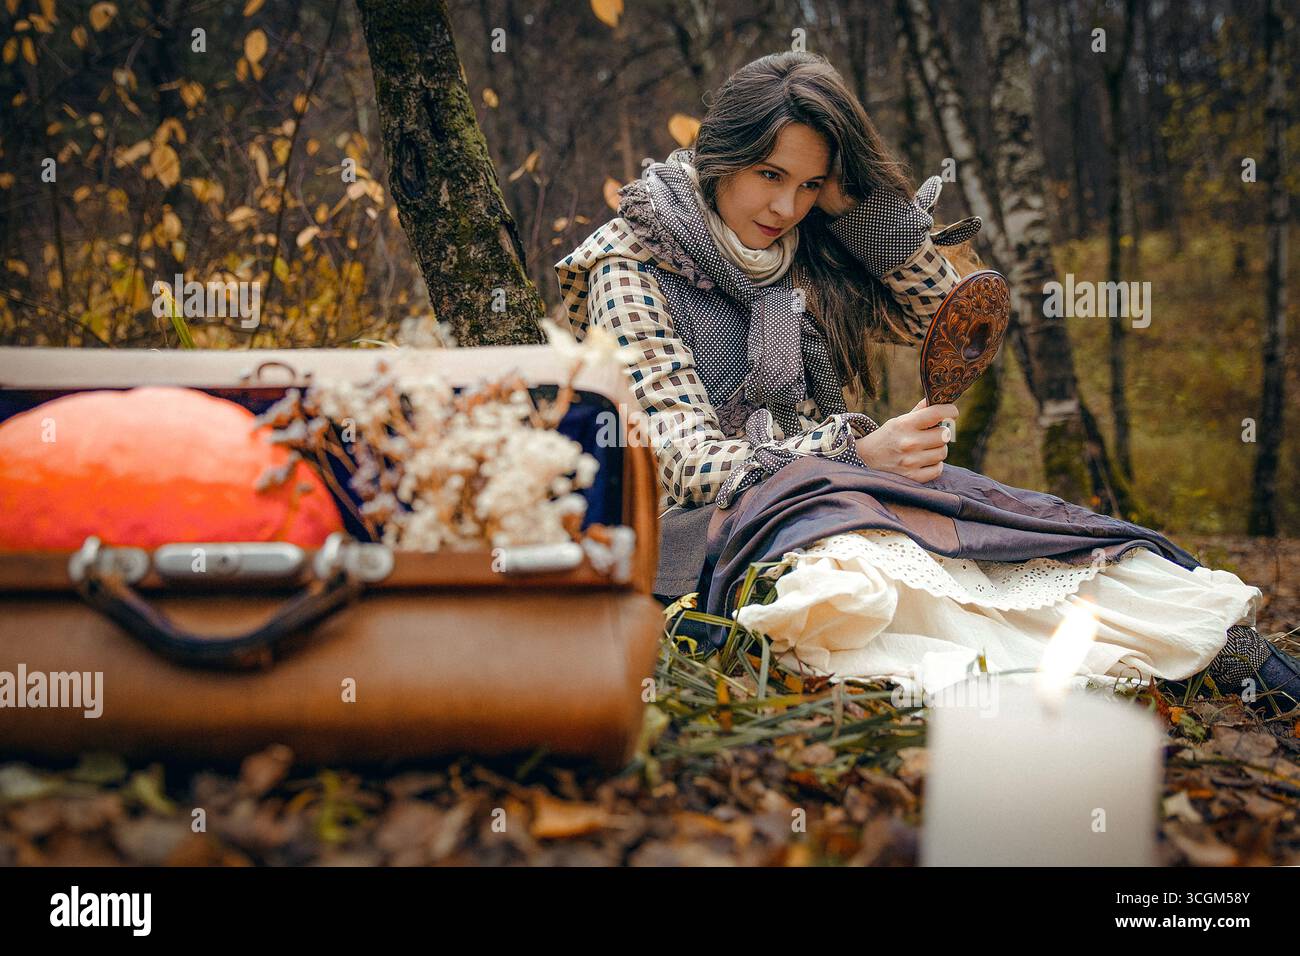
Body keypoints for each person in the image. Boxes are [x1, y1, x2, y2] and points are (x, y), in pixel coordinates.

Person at [553, 50, 1300, 713]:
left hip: (832, 495)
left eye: (810, 183)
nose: (784, 207)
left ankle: (1220, 646)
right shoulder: (633, 267)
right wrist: (854, 453)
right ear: (720, 156)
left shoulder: (804, 238)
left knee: (1013, 539)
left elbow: (942, 318)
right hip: (708, 532)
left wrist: (858, 207)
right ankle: (1130, 672)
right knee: (892, 580)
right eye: (768, 176)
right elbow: (684, 463)